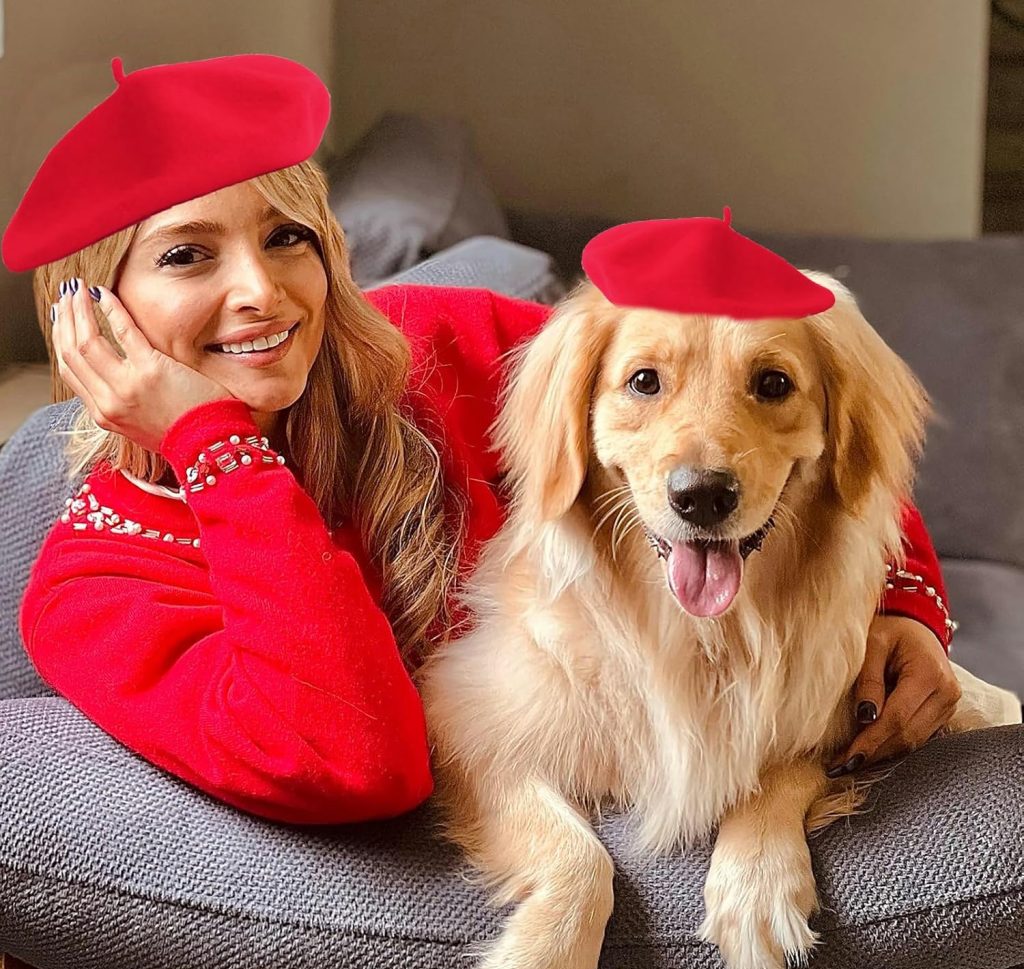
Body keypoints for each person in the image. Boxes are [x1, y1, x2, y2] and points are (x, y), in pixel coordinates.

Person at [2, 54, 961, 825]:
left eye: (287, 236)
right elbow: (361, 762)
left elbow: (763, 433)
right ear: (91, 312)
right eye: (187, 254)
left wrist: (909, 603)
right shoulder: (94, 592)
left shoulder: (436, 336)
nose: (262, 289)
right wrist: (214, 443)